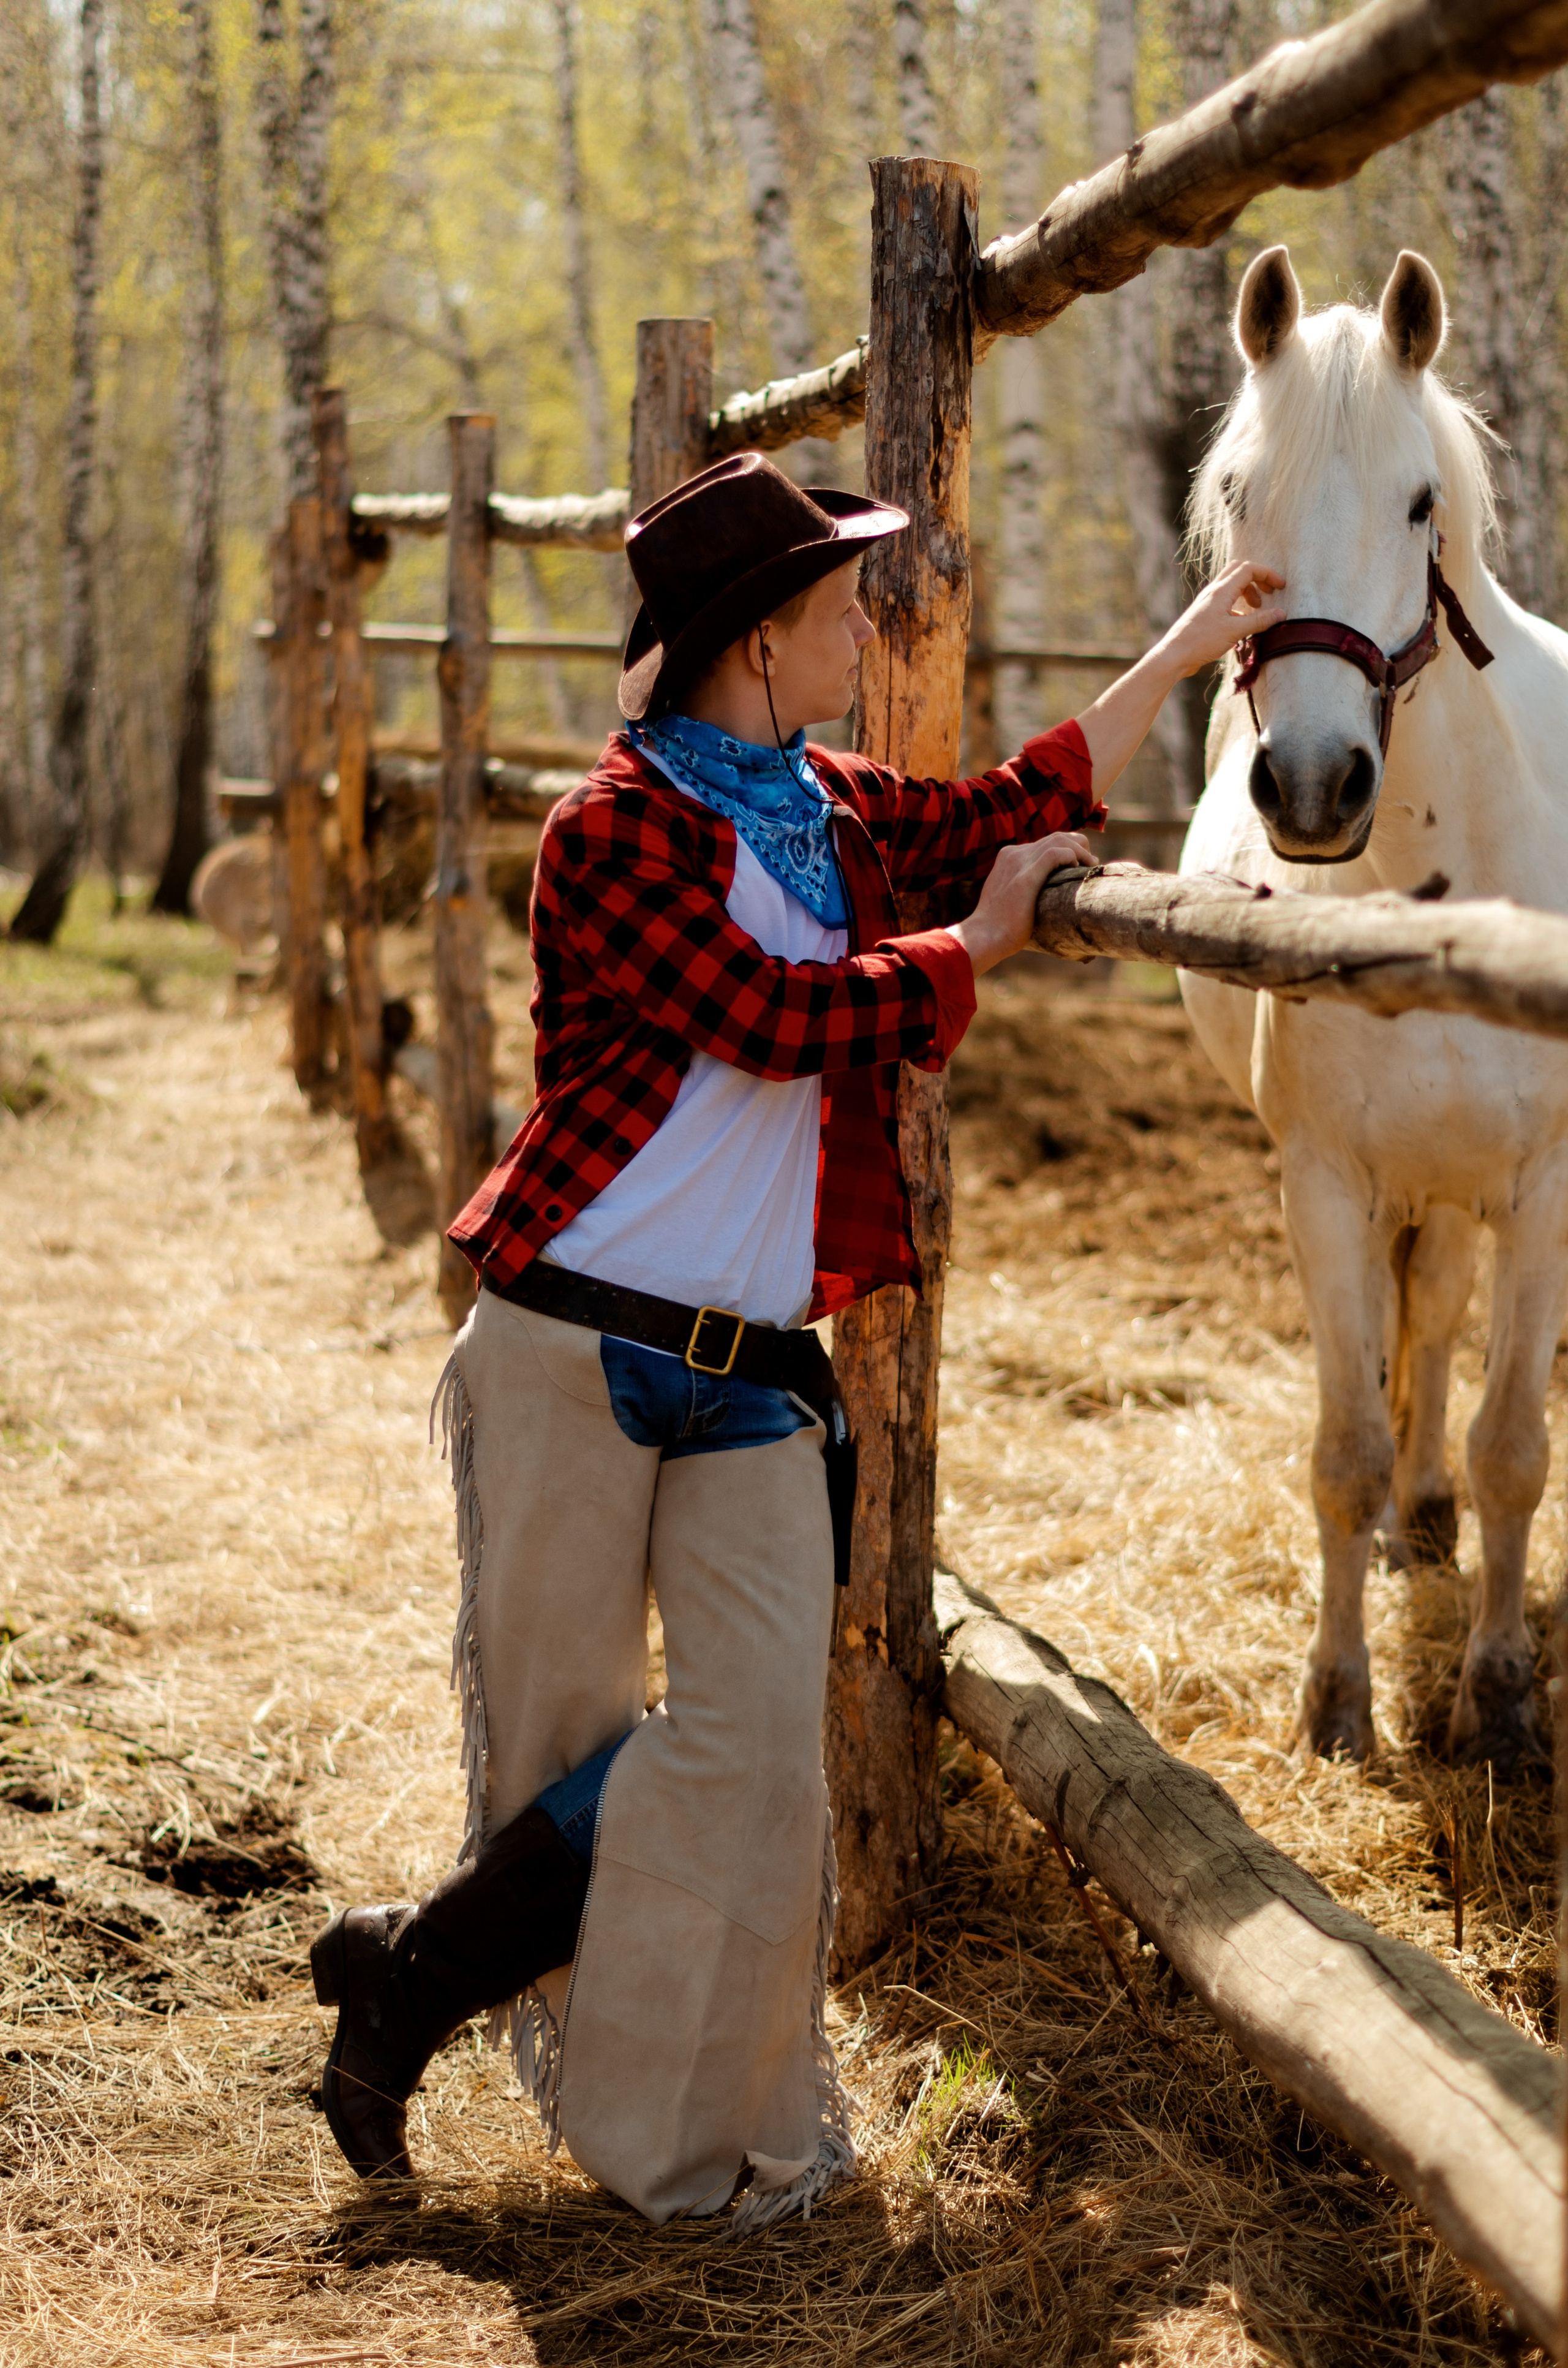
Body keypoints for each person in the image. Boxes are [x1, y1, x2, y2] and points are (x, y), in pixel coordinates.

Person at [309, 452, 1284, 2228]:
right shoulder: (604, 832)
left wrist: (1200, 637)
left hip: (756, 1365)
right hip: (569, 1340)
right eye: (844, 603)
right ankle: (599, 2121)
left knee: (755, 1753)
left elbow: (1008, 800)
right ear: (758, 639)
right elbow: (763, 1019)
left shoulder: (821, 805)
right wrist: (967, 955)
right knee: (562, 1745)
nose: (869, 624)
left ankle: (428, 1966)